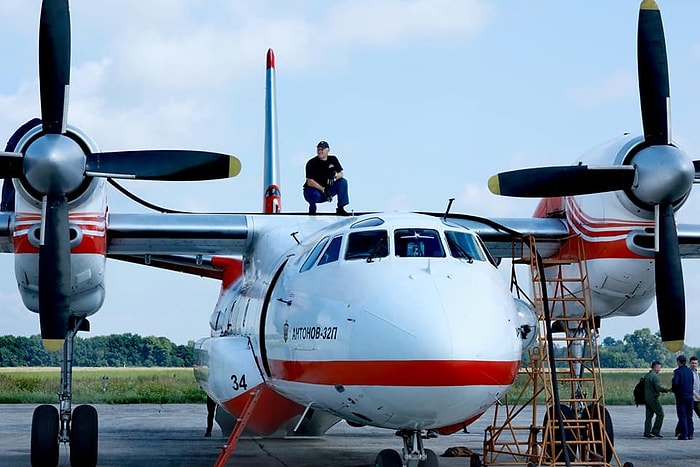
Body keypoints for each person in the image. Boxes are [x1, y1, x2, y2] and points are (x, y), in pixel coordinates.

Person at [303, 140, 350, 215]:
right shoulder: (312, 163)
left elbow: (341, 174)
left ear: (328, 150)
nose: (320, 151)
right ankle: (312, 209)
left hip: (328, 191)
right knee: (312, 193)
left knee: (343, 182)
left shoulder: (333, 159)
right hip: (315, 191)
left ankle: (341, 208)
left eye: (322, 149)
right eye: (319, 149)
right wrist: (323, 189)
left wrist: (334, 176)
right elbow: (310, 181)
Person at [643, 360, 669, 438]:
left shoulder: (647, 376)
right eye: (659, 368)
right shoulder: (655, 377)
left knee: (648, 417)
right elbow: (658, 388)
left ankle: (647, 433)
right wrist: (667, 390)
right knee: (660, 414)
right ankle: (655, 431)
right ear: (655, 367)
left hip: (647, 398)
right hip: (653, 398)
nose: (660, 370)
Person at [672, 354, 695, 440]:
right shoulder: (690, 371)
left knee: (682, 415)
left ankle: (684, 434)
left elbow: (675, 383)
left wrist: (674, 390)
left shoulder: (678, 372)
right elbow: (692, 382)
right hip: (690, 396)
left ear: (678, 362)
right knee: (689, 415)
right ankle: (690, 433)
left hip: (681, 396)